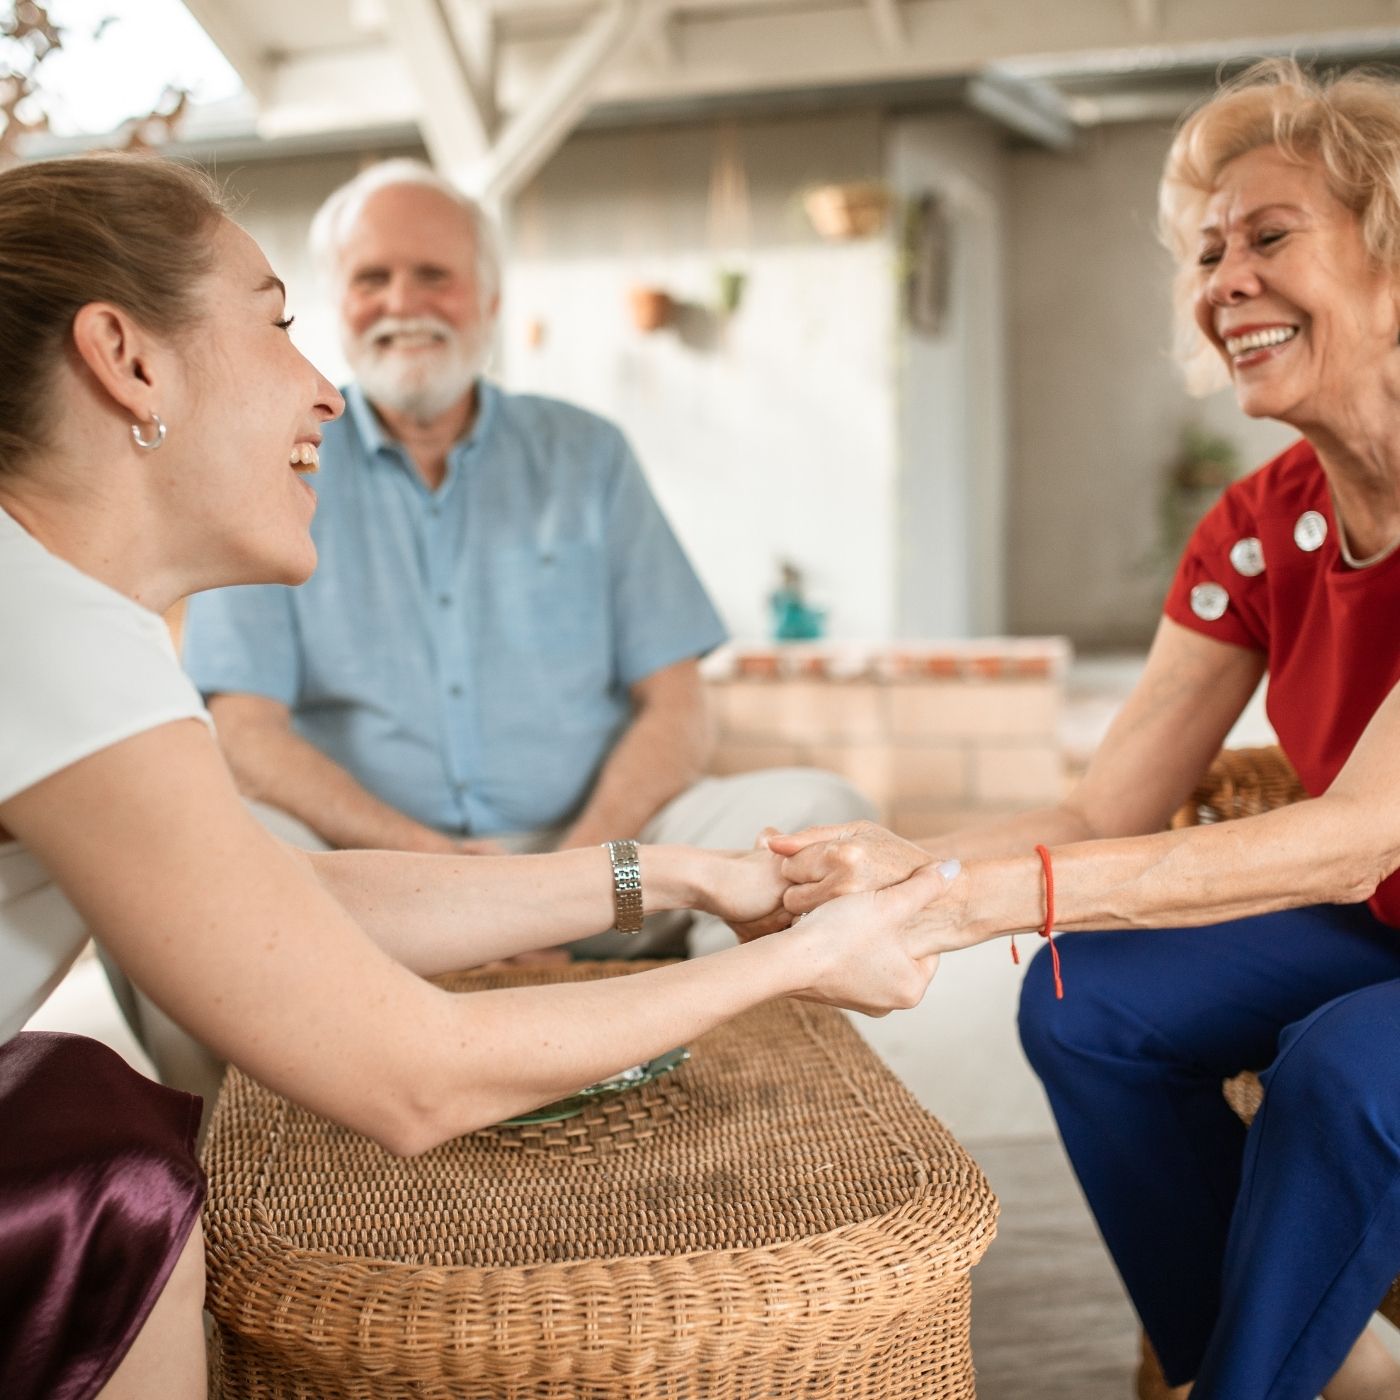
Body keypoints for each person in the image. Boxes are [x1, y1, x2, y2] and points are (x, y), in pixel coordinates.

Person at [0, 152, 949, 1400]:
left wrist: (672, 870)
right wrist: (793, 959)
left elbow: (284, 902)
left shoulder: (52, 605)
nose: (323, 388)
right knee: (115, 1165)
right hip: (354, 1016)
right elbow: (415, 1071)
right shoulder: (49, 630)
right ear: (128, 361)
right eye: (279, 321)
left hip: (551, 833)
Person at [767, 60, 1400, 1400]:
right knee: (1083, 1000)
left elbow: (1356, 838)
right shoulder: (1258, 525)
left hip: (1369, 886)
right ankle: (1287, 1367)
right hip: (1386, 921)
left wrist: (968, 905)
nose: (1222, 280)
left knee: (1341, 1072)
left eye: (1271, 236)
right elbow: (1103, 808)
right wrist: (909, 866)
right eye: (1209, 250)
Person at [178, 157, 872, 952]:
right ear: (339, 302)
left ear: (492, 300)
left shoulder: (589, 455)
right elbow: (244, 729)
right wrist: (433, 863)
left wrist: (573, 876)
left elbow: (678, 703)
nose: (402, 303)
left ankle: (737, 1066)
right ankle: (253, 1085)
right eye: (373, 278)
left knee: (820, 814)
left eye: (433, 274)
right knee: (186, 858)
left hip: (613, 869)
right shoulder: (272, 465)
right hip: (375, 882)